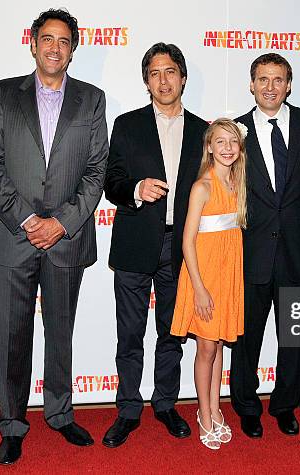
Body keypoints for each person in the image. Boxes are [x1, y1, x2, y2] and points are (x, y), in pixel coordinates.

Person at [0, 8, 108, 465]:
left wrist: (61, 223)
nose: (55, 48)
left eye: (64, 41)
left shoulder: (91, 100)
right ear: (32, 44)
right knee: (12, 336)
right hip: (16, 236)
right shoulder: (4, 95)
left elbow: (95, 172)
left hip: (67, 239)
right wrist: (29, 220)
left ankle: (59, 411)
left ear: (74, 48)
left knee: (61, 333)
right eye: (47, 39)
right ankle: (12, 424)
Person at [102, 42, 209, 448]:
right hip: (134, 244)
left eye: (170, 72)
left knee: (172, 333)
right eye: (155, 73)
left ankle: (166, 404)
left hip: (181, 249)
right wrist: (135, 188)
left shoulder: (203, 130)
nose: (163, 80)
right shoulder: (127, 125)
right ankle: (128, 409)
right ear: (146, 81)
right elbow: (110, 182)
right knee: (129, 334)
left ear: (182, 77)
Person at [230, 53, 300, 438]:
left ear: (289, 84)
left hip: (299, 256)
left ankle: (285, 405)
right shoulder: (234, 131)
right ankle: (247, 407)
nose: (270, 87)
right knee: (246, 340)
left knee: (294, 339)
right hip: (250, 256)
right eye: (263, 79)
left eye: (278, 79)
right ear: (251, 85)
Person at [171, 118, 247, 449]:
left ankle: (216, 409)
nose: (227, 148)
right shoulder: (202, 186)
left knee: (218, 345)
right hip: (203, 277)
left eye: (233, 142)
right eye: (221, 142)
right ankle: (203, 413)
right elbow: (187, 241)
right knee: (205, 347)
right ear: (209, 147)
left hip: (228, 275)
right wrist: (199, 288)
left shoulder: (238, 184)